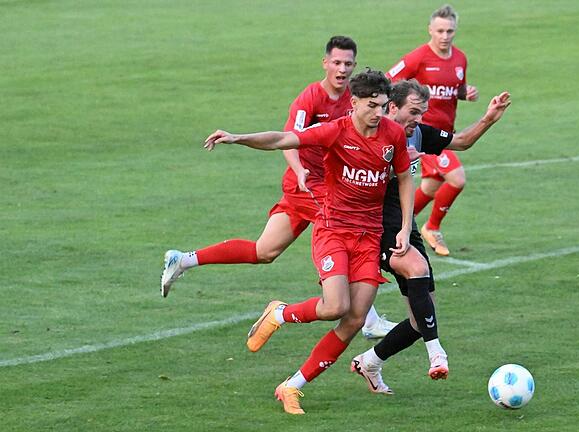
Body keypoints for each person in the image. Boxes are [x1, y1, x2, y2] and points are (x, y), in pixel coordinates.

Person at [203, 69, 414, 415]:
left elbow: (404, 178)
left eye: (384, 105)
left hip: (369, 235)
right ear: (355, 102)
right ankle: (280, 313)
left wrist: (404, 227)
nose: (379, 113)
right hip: (333, 230)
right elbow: (281, 139)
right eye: (372, 106)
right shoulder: (335, 131)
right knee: (334, 306)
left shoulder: (392, 134)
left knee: (356, 319)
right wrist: (238, 137)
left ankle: (291, 386)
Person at [159, 36, 396, 338]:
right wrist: (298, 170)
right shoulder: (310, 98)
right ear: (325, 63)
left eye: (348, 63)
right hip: (311, 187)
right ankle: (367, 319)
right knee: (340, 233)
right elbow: (288, 138)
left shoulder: (361, 99)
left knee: (265, 250)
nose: (342, 69)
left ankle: (183, 259)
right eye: (336, 62)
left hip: (327, 184)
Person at [348, 79, 511, 394]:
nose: (418, 120)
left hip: (404, 222)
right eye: (413, 112)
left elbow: (461, 141)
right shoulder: (368, 133)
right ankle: (436, 353)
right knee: (416, 271)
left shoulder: (416, 133)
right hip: (373, 225)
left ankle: (369, 362)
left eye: (422, 113)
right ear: (391, 107)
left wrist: (489, 118)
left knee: (422, 316)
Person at [387, 4, 477, 256]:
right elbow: (389, 79)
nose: (445, 36)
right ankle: (432, 227)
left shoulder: (460, 58)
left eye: (449, 31)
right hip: (423, 133)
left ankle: (402, 221)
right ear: (430, 30)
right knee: (457, 178)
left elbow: (455, 88)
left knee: (429, 186)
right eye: (440, 31)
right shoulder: (418, 57)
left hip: (446, 132)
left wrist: (465, 93)